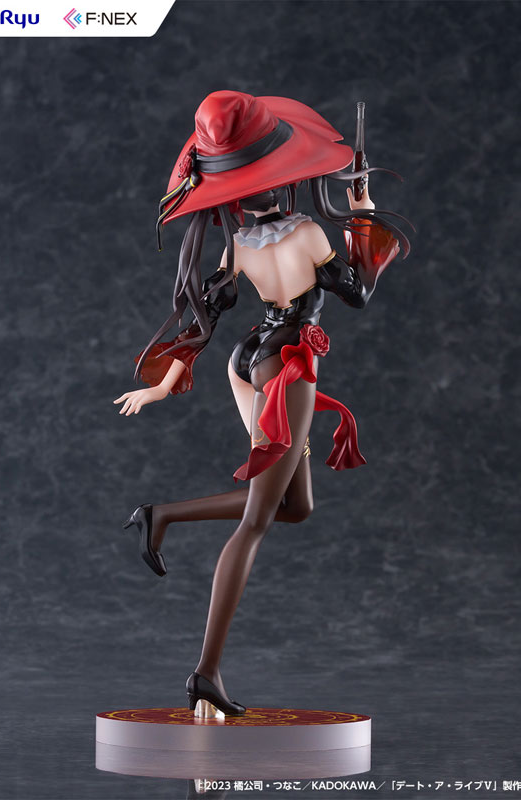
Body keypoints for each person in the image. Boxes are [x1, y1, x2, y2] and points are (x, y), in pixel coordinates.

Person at [114, 91, 410, 717]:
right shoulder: (307, 233)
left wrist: (163, 385)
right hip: (287, 367)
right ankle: (206, 673)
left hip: (248, 361)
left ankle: (160, 515)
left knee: (293, 506)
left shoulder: (240, 246)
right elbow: (357, 293)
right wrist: (362, 211)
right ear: (285, 180)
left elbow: (204, 320)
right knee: (255, 521)